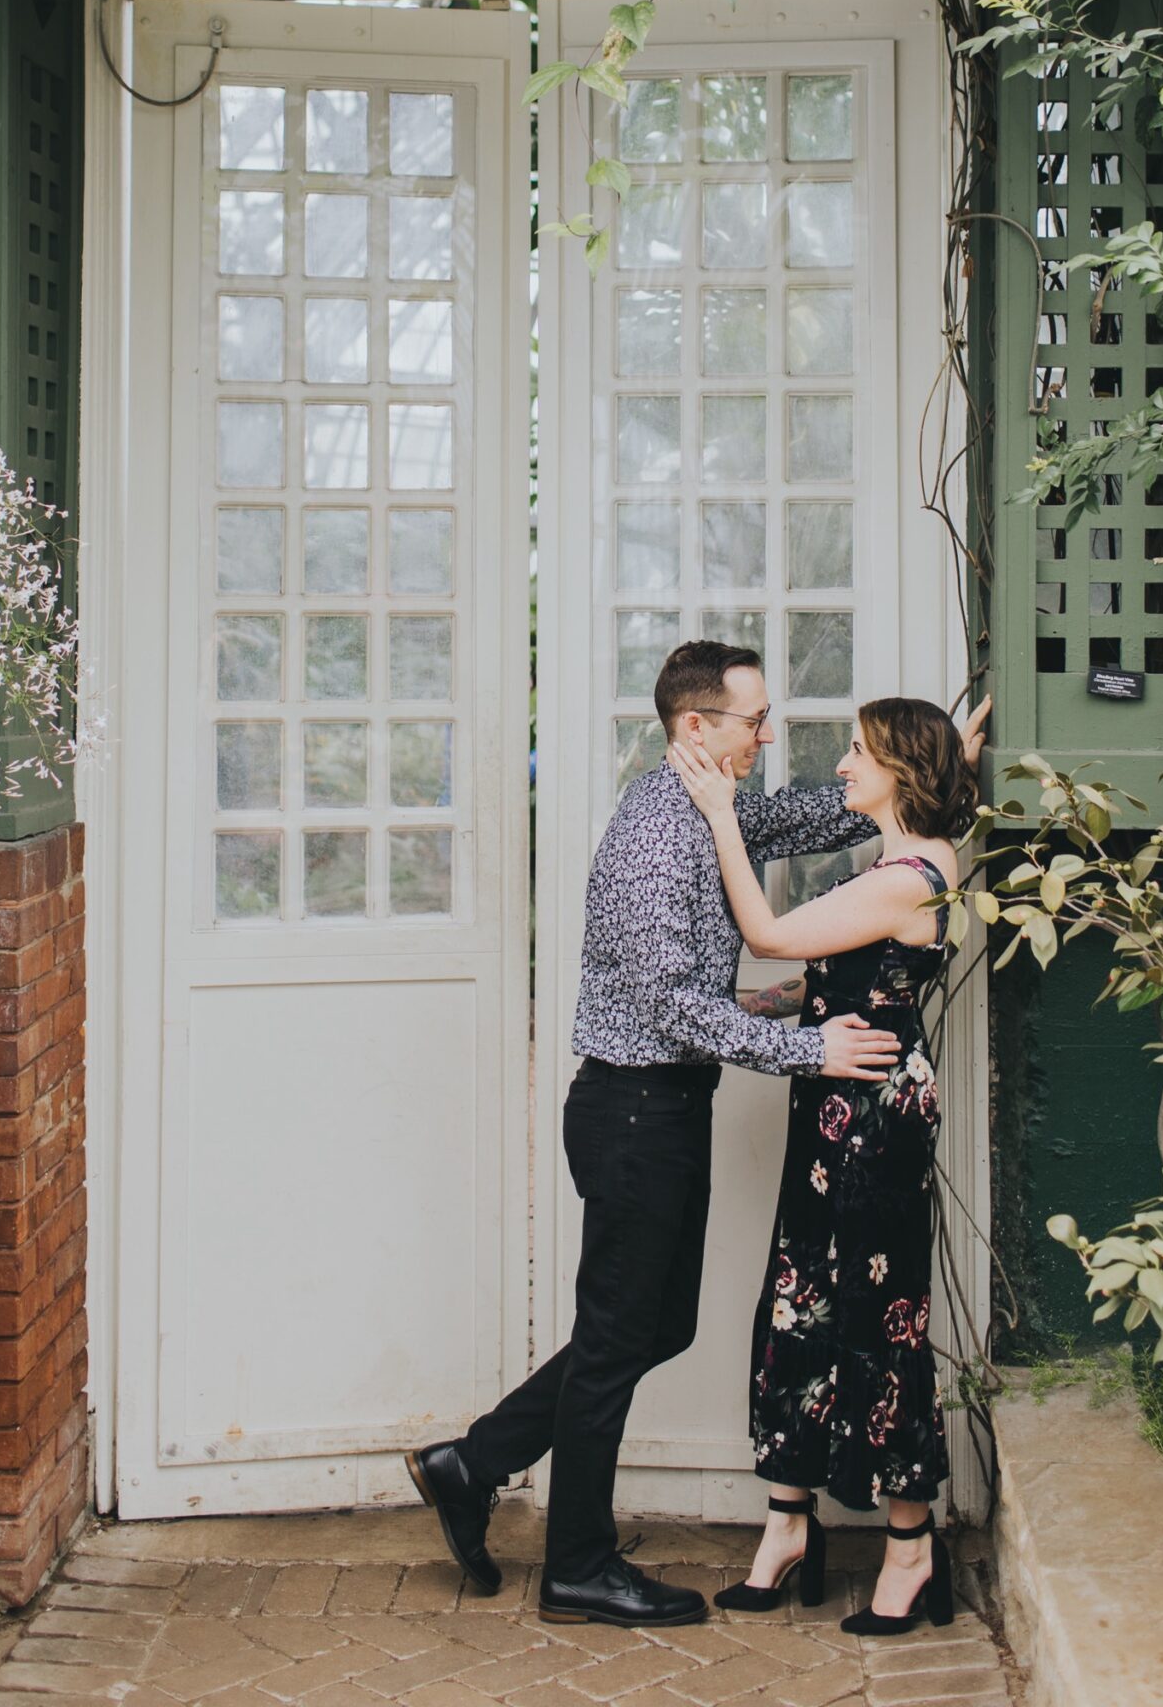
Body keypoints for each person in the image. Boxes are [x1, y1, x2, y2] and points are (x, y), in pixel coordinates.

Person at [408, 641, 988, 1631]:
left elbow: (824, 811)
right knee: (611, 1339)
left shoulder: (704, 809)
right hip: (631, 1109)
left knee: (651, 1324)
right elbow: (671, 1005)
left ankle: (475, 1461)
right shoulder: (653, 838)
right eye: (752, 722)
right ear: (696, 729)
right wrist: (802, 1046)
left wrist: (939, 756)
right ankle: (576, 1562)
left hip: (668, 1108)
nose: (767, 737)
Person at [668, 697, 977, 1637]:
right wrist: (770, 1009)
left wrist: (724, 818)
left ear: (900, 770)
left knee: (879, 1319)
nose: (842, 768)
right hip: (835, 1106)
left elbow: (767, 930)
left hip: (875, 1119)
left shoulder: (909, 874)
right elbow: (840, 971)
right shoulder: (893, 865)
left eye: (857, 752)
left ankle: (911, 1547)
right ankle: (790, 1522)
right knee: (802, 1299)